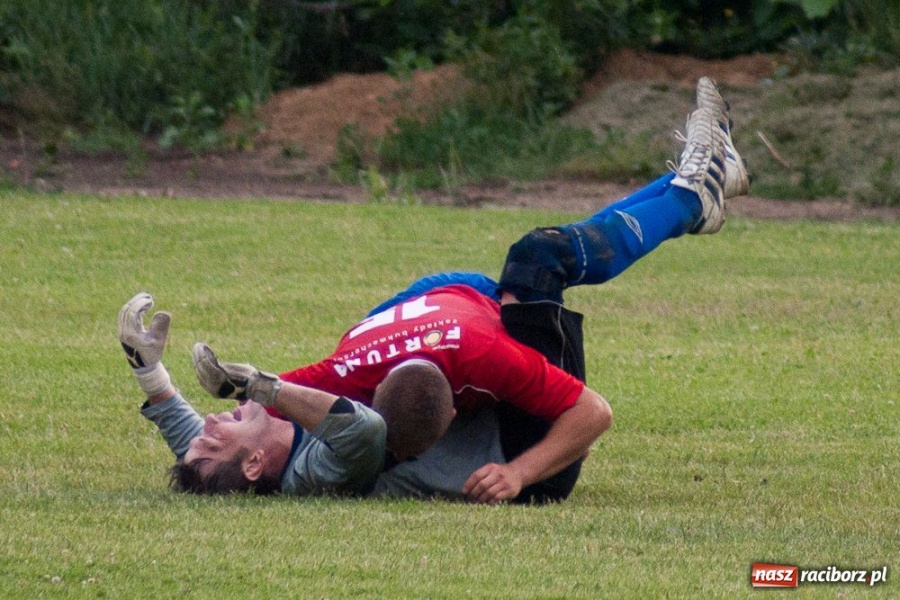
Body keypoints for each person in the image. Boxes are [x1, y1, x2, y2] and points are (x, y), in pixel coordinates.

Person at [123, 77, 748, 503]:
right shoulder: (315, 472)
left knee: (513, 274)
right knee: (537, 259)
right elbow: (363, 430)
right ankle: (693, 195)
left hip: (481, 391)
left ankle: (690, 193)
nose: (206, 422)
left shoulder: (262, 443)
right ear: (255, 465)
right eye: (214, 434)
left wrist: (150, 375)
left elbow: (190, 448)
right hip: (527, 444)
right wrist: (261, 386)